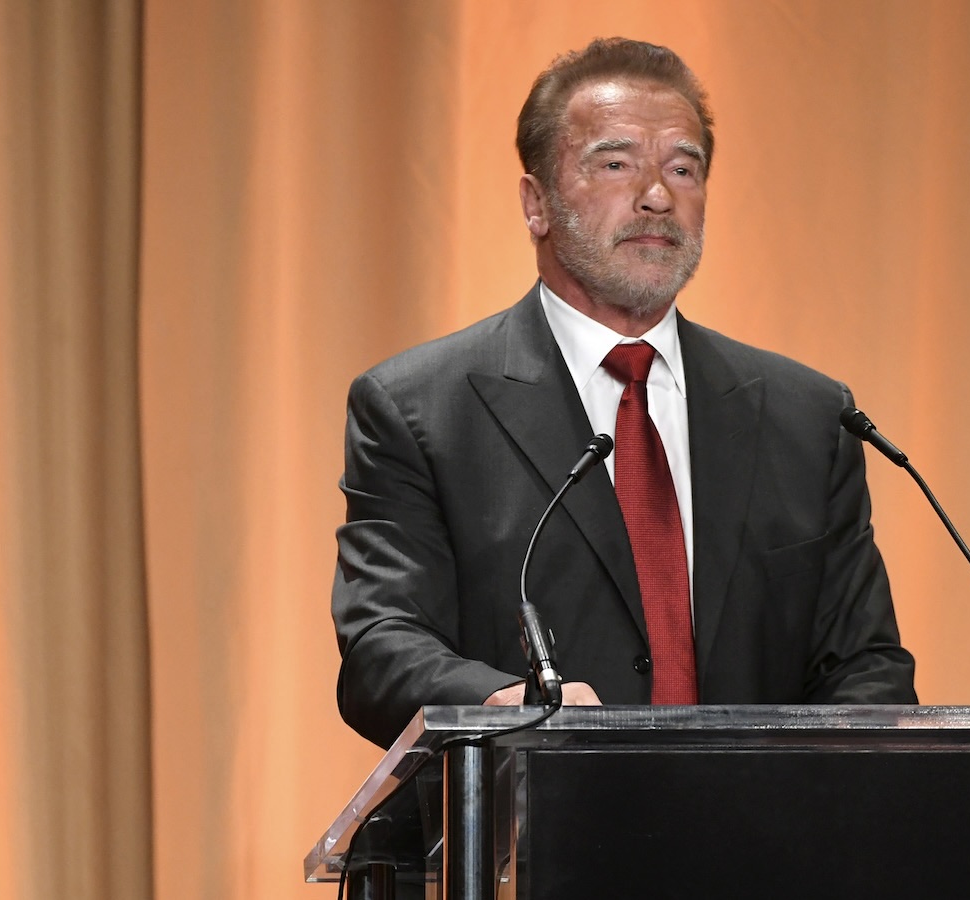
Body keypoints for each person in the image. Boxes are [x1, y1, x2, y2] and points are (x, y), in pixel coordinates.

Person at [333, 37, 915, 749]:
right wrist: (511, 707)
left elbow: (864, 665)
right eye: (616, 163)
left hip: (764, 843)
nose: (658, 195)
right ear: (535, 202)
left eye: (683, 167)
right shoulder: (421, 410)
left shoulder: (809, 417)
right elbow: (381, 648)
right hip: (534, 837)